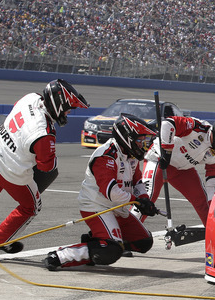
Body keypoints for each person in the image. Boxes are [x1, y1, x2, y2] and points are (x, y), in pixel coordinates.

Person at [0, 79, 89, 261]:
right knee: (32, 206)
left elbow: (16, 113)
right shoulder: (44, 133)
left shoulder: (30, 97)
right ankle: (1, 239)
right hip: (13, 173)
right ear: (58, 105)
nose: (68, 113)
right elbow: (46, 167)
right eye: (68, 108)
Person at [43, 113, 158, 271]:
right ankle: (61, 256)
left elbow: (137, 181)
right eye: (140, 140)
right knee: (111, 250)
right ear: (128, 137)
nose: (144, 145)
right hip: (97, 205)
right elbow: (111, 192)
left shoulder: (130, 155)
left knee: (143, 242)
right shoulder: (106, 156)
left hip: (117, 206)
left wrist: (144, 199)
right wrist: (137, 202)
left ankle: (96, 243)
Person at [136, 113, 215, 227]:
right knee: (147, 199)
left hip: (183, 170)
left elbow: (213, 180)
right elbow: (167, 123)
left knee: (205, 204)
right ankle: (130, 230)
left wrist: (213, 202)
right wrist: (166, 150)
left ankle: (214, 233)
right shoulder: (197, 128)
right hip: (159, 160)